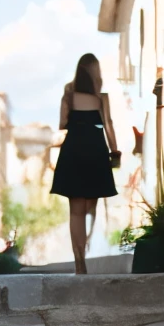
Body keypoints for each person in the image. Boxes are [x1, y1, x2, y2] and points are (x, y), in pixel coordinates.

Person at [50, 54, 122, 275]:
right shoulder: (102, 98)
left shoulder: (69, 95)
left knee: (75, 212)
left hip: (73, 150)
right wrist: (114, 150)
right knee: (92, 202)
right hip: (95, 151)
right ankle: (84, 253)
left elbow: (62, 124)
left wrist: (71, 110)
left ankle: (78, 260)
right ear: (95, 73)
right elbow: (108, 125)